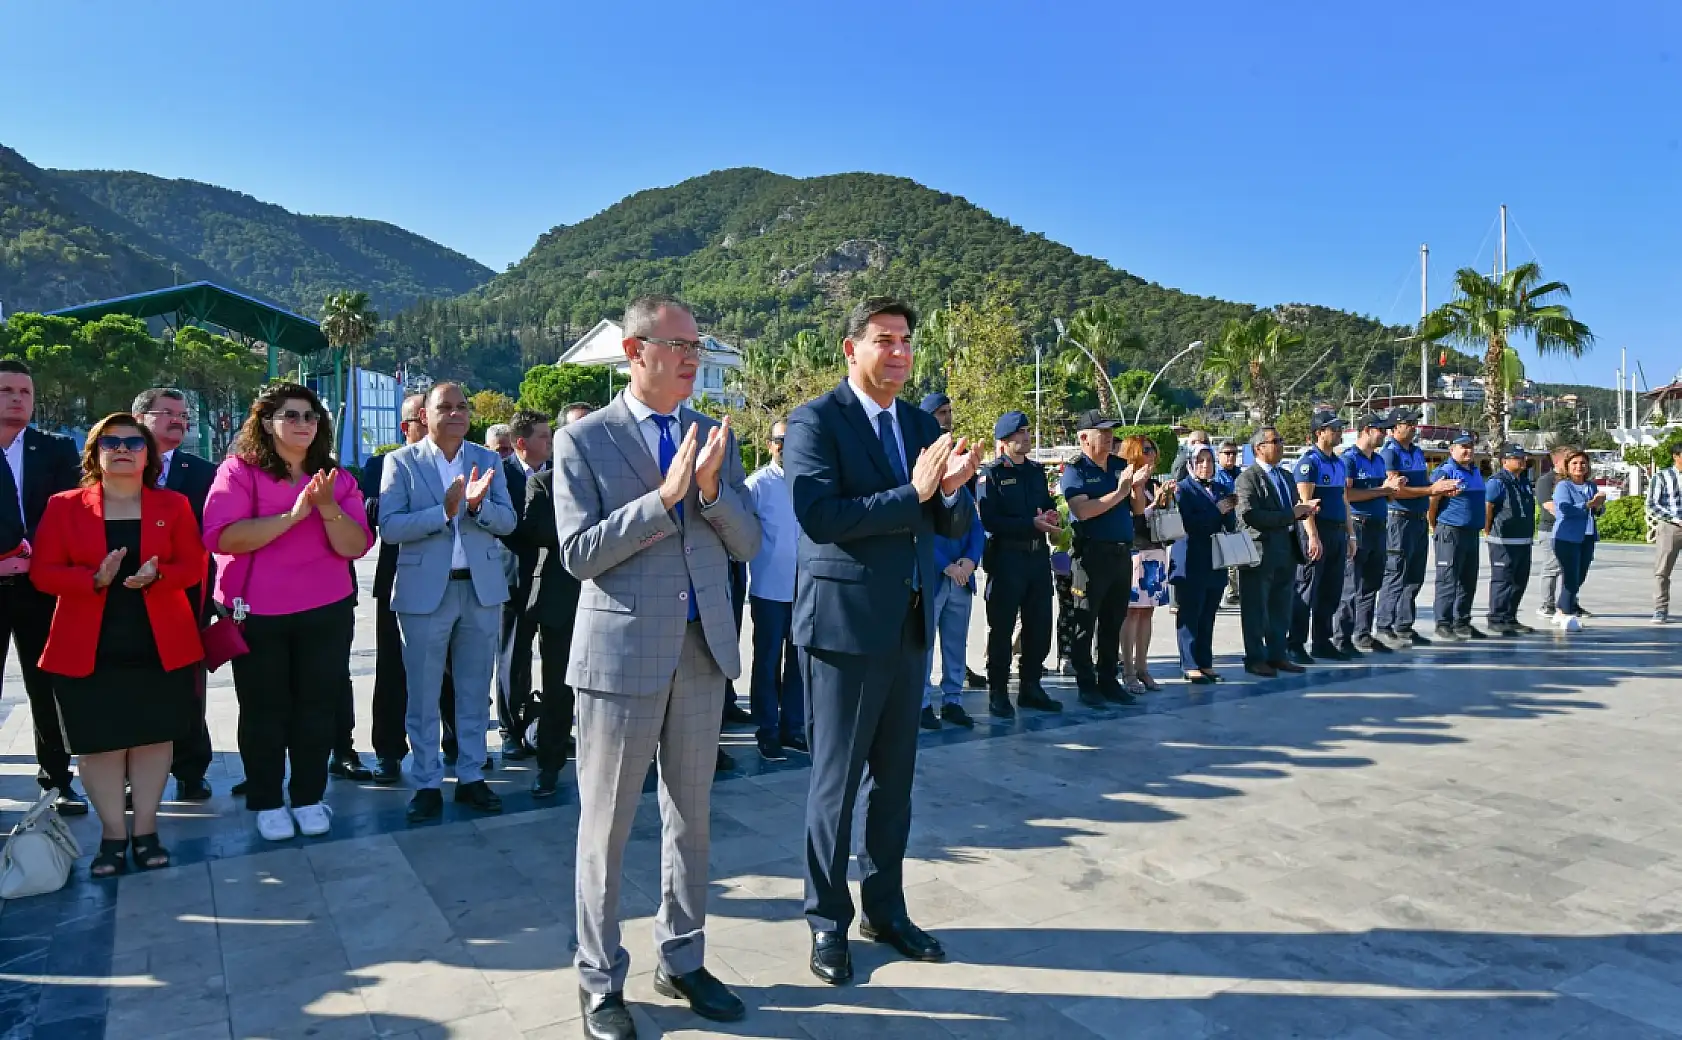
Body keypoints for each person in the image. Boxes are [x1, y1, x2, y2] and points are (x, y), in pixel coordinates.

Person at [552, 295, 760, 1036]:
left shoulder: (715, 437)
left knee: (691, 821)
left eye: (697, 345)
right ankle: (599, 977)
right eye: (678, 345)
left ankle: (682, 958)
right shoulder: (583, 440)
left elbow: (746, 541)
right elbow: (578, 554)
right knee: (605, 826)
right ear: (635, 353)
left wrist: (707, 493)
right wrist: (663, 499)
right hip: (619, 659)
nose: (692, 357)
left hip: (702, 655)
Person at [785, 296, 978, 988]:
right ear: (851, 348)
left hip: (908, 624)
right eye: (883, 340)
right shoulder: (817, 421)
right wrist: (916, 491)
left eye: (905, 342)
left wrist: (952, 492)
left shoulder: (921, 423)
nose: (897, 353)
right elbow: (818, 515)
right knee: (835, 785)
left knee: (894, 784)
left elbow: (947, 522)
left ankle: (884, 910)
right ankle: (826, 922)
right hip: (843, 628)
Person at [34, 415, 205, 876]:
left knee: (153, 740)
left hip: (159, 643)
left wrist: (160, 575)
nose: (123, 448)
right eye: (112, 441)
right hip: (87, 645)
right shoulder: (64, 506)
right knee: (99, 746)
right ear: (95, 453)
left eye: (134, 441)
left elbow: (194, 565)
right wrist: (92, 578)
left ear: (148, 454)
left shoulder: (174, 504)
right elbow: (43, 572)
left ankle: (146, 830)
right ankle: (113, 835)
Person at [203, 383, 372, 841]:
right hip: (257, 613)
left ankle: (308, 796)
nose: (303, 424)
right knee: (264, 710)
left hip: (326, 610)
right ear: (266, 422)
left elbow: (356, 545)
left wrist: (328, 508)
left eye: (311, 416)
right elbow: (223, 537)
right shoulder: (239, 471)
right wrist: (294, 516)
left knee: (318, 708)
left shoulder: (337, 478)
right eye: (291, 415)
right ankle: (266, 798)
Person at [377, 383, 516, 823]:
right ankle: (426, 782)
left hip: (480, 590)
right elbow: (390, 527)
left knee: (474, 691)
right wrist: (445, 511)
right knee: (421, 693)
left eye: (462, 407)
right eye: (445, 407)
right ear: (424, 416)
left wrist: (476, 510)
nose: (455, 414)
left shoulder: (488, 459)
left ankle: (472, 775)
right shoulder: (401, 462)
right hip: (424, 595)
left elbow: (509, 521)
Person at [0, 360, 88, 815]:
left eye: (25, 392)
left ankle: (57, 779)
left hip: (39, 586)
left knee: (47, 686)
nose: (17, 398)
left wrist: (30, 555)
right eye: (7, 390)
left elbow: (69, 512)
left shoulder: (55, 449)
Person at [361, 393, 457, 784]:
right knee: (393, 670)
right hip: (401, 581)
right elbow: (376, 515)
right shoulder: (380, 465)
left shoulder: (463, 461)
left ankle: (456, 744)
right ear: (410, 426)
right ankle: (388, 751)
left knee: (454, 669)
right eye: (427, 415)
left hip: (456, 581)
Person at [132, 387, 218, 801]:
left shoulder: (203, 472)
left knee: (188, 688)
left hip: (187, 595)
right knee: (133, 687)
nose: (178, 420)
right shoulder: (118, 466)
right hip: (127, 597)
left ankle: (191, 769)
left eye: (183, 414)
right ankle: (135, 777)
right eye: (167, 413)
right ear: (140, 419)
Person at [517, 401, 593, 798]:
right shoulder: (542, 483)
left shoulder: (609, 479)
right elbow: (534, 530)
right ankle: (549, 766)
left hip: (606, 598)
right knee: (558, 688)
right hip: (561, 602)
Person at [976, 410, 1061, 718]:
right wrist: (1031, 523)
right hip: (1007, 558)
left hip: (1037, 557)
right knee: (1001, 627)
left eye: (1027, 431)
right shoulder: (992, 474)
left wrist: (1053, 516)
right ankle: (998, 690)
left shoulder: (1037, 472)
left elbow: (1047, 505)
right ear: (1004, 440)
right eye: (1019, 433)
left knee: (1039, 625)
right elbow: (990, 519)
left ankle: (1031, 686)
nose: (1025, 437)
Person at [1060, 411, 1145, 707]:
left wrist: (1137, 488)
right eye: (1102, 433)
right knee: (1085, 620)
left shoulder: (1120, 466)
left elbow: (1137, 509)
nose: (1109, 438)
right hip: (1091, 555)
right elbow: (1083, 510)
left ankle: (1108, 679)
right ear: (1084, 438)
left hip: (1121, 553)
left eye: (1111, 432)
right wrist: (1121, 491)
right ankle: (1087, 683)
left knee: (1113, 620)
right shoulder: (1076, 471)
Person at [917, 394, 983, 730]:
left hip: (961, 575)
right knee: (924, 644)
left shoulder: (960, 466)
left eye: (949, 412)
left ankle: (953, 700)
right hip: (933, 573)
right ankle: (923, 703)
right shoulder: (920, 465)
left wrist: (970, 561)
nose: (948, 418)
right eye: (941, 413)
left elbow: (974, 523)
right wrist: (946, 565)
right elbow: (918, 526)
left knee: (956, 644)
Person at [744, 420, 807, 759]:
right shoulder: (757, 485)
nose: (785, 446)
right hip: (769, 590)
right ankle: (766, 730)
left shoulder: (808, 480)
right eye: (779, 440)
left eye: (791, 440)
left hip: (804, 591)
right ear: (769, 445)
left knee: (798, 663)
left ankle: (792, 727)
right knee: (767, 663)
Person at [494, 408, 552, 761]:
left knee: (555, 655)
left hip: (555, 579)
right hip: (515, 578)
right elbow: (506, 526)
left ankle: (547, 725)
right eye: (543, 437)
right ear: (521, 443)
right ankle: (509, 729)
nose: (550, 442)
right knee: (513, 656)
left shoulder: (560, 473)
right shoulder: (500, 476)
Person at [1375, 408, 1459, 649]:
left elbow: (1424, 484)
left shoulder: (1417, 451)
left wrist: (1441, 488)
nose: (1414, 426)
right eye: (1408, 423)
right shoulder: (1389, 453)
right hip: (1399, 518)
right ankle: (1384, 626)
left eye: (1414, 422)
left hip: (1418, 518)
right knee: (1395, 573)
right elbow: (1396, 490)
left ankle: (1404, 625)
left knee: (1414, 575)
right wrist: (1432, 491)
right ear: (1394, 428)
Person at [1235, 426, 1315, 677]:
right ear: (1259, 448)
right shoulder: (1247, 478)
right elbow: (1249, 515)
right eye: (1275, 441)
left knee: (1281, 607)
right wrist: (1290, 514)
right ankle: (1256, 658)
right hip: (1260, 552)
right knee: (1256, 608)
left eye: (1280, 440)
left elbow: (1291, 507)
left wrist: (1303, 511)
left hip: (1286, 549)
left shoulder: (1285, 475)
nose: (1280, 445)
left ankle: (1278, 655)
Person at [1288, 412, 1356, 662]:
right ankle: (1295, 643)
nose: (1339, 432)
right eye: (1334, 428)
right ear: (1320, 432)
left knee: (1330, 589)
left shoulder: (1338, 463)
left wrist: (1351, 535)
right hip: (1317, 530)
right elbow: (1305, 503)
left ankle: (1322, 641)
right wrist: (1313, 536)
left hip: (1337, 531)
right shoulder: (1310, 463)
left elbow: (1344, 501)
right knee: (1306, 588)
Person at [1334, 413, 1401, 654]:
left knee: (1371, 583)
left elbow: (1386, 493)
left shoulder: (1379, 460)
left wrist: (1393, 489)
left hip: (1378, 525)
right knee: (1350, 584)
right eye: (1380, 430)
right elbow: (1347, 496)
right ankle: (1341, 637)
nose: (1384, 434)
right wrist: (1382, 490)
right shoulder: (1349, 460)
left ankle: (1363, 634)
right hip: (1358, 524)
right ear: (1366, 430)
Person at [1169, 444, 1235, 683]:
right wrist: (1217, 511)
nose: (1205, 466)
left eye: (1209, 460)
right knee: (1190, 612)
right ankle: (1189, 663)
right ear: (1190, 463)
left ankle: (1205, 661)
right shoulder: (1183, 490)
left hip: (1215, 558)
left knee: (1209, 612)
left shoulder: (1219, 488)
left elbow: (1228, 524)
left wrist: (1229, 511)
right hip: (1191, 558)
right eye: (1200, 461)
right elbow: (1188, 524)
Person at [1118, 434, 1175, 693]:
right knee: (1131, 613)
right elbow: (1135, 520)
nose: (1152, 454)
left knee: (1147, 612)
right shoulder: (1127, 483)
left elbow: (1160, 518)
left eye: (1153, 449)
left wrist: (1166, 500)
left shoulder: (1153, 483)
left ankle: (1143, 667)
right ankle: (1128, 670)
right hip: (1136, 553)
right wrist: (1151, 502)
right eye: (1146, 450)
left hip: (1156, 552)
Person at [1427, 432, 1486, 641]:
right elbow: (1432, 502)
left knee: (1468, 580)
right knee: (1447, 579)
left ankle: (1462, 622)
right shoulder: (1445, 471)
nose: (1468, 450)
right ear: (1452, 450)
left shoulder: (1475, 471)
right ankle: (1443, 623)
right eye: (1463, 447)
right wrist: (1435, 525)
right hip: (1450, 531)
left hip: (1471, 533)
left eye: (1470, 446)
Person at [1484, 444, 1538, 635]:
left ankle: (1510, 617)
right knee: (1503, 580)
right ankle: (1497, 618)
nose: (1522, 461)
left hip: (1523, 539)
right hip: (1503, 541)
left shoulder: (1523, 481)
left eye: (1523, 457)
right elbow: (1488, 507)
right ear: (1504, 461)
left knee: (1519, 581)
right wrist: (1488, 530)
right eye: (1517, 457)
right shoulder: (1497, 482)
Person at [1550, 450, 1604, 632]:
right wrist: (1588, 504)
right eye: (1574, 463)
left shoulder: (1591, 486)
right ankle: (1566, 614)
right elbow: (1565, 510)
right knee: (1571, 577)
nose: (1579, 466)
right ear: (1567, 466)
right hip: (1566, 537)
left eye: (1582, 463)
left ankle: (1560, 608)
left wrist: (1598, 506)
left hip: (1587, 536)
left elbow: (1597, 511)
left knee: (1580, 576)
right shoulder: (1563, 486)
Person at [1533, 444, 1575, 620]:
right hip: (1551, 530)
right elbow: (1549, 506)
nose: (1574, 462)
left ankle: (1569, 603)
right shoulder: (1546, 480)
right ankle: (1547, 604)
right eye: (1569, 458)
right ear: (1557, 460)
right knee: (1552, 568)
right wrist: (1574, 515)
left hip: (1572, 531)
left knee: (1572, 569)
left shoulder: (1574, 480)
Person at [1647, 441, 1682, 624]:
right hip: (1671, 527)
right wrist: (1675, 519)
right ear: (1676, 456)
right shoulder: (1661, 477)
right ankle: (1660, 609)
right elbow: (1652, 504)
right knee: (1662, 570)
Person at [1215, 440, 1245, 607]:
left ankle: (1233, 592)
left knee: (1236, 560)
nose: (1231, 456)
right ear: (1219, 455)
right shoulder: (1215, 475)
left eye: (1234, 453)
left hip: (1237, 522)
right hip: (1218, 523)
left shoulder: (1240, 474)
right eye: (1227, 453)